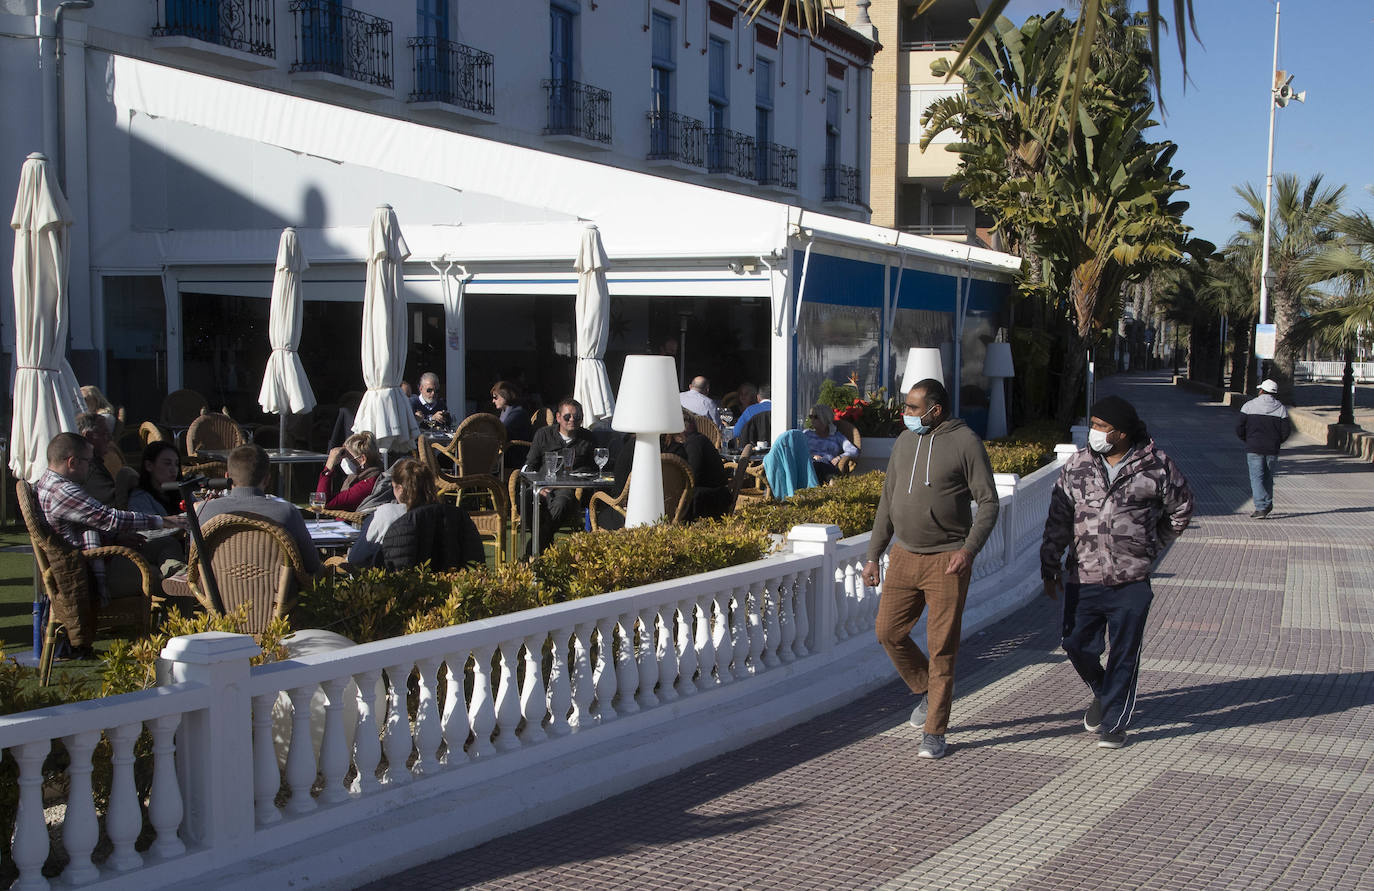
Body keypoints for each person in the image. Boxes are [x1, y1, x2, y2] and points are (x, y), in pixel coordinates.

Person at [1041, 395, 1193, 750]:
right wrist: (1049, 565)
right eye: (1093, 424)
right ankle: (1104, 689)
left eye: (1102, 427)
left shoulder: (1156, 466)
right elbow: (1058, 519)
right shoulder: (1077, 465)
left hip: (1131, 581)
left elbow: (1182, 509)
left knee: (1125, 651)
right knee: (1075, 643)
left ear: (1121, 434)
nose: (1094, 432)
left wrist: (1151, 547)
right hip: (1083, 576)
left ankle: (1114, 723)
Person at [861, 379, 999, 761]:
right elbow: (887, 502)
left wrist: (969, 551)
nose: (906, 414)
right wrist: (874, 554)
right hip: (905, 555)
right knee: (887, 632)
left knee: (942, 648)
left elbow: (988, 503)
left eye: (913, 408)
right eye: (906, 407)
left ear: (936, 409)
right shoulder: (905, 441)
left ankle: (935, 731)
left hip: (947, 559)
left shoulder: (966, 442)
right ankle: (925, 687)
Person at [35, 432, 187, 657]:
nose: (91, 467)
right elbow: (110, 518)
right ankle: (185, 641)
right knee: (167, 581)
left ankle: (180, 575)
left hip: (93, 556)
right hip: (90, 573)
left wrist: (116, 538)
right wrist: (165, 520)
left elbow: (91, 524)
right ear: (72, 462)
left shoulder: (48, 483)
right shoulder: (63, 491)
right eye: (89, 461)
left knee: (164, 545)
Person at [197, 444, 323, 576]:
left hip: (217, 593)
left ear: (227, 476)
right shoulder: (287, 513)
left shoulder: (205, 511)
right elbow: (312, 565)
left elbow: (196, 561)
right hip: (280, 594)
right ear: (267, 479)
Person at [347, 458, 480, 570]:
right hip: (448, 591)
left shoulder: (386, 514)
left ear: (399, 488)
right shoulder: (453, 514)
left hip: (397, 592)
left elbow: (356, 558)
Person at [523, 397, 598, 551]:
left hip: (569, 487)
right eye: (567, 416)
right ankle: (544, 541)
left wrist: (580, 476)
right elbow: (530, 465)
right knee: (529, 497)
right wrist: (538, 486)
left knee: (562, 502)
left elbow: (595, 469)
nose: (572, 420)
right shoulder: (543, 435)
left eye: (577, 417)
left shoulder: (588, 438)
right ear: (558, 417)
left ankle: (535, 547)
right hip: (542, 485)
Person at [1236, 378, 1292, 519]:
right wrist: (1278, 441)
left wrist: (1247, 440)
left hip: (1254, 447)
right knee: (1268, 477)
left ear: (1261, 391)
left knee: (1257, 478)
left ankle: (1261, 507)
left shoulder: (1249, 406)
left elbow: (1239, 428)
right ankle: (1267, 503)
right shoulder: (1281, 408)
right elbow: (1286, 431)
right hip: (1272, 448)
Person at [664, 408, 731, 520]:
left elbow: (693, 477)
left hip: (710, 501)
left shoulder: (695, 443)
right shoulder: (696, 440)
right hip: (714, 495)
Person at [77, 412, 137, 509]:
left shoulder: (93, 463)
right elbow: (115, 508)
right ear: (88, 436)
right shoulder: (89, 468)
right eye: (104, 434)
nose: (110, 438)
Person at [316, 431, 383, 511]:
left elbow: (321, 503)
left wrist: (329, 466)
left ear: (362, 459)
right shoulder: (366, 477)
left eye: (347, 456)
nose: (343, 459)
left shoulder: (367, 485)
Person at [804, 404, 859, 484]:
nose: (812, 420)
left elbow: (854, 450)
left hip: (828, 465)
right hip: (810, 465)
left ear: (824, 418)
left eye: (815, 417)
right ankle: (830, 481)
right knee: (817, 464)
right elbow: (797, 451)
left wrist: (838, 458)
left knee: (823, 463)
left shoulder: (836, 436)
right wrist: (812, 456)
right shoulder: (807, 434)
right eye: (810, 416)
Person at [127, 441, 183, 517]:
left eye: (176, 464)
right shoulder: (140, 499)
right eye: (167, 463)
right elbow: (148, 526)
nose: (174, 469)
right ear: (149, 466)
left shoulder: (180, 491)